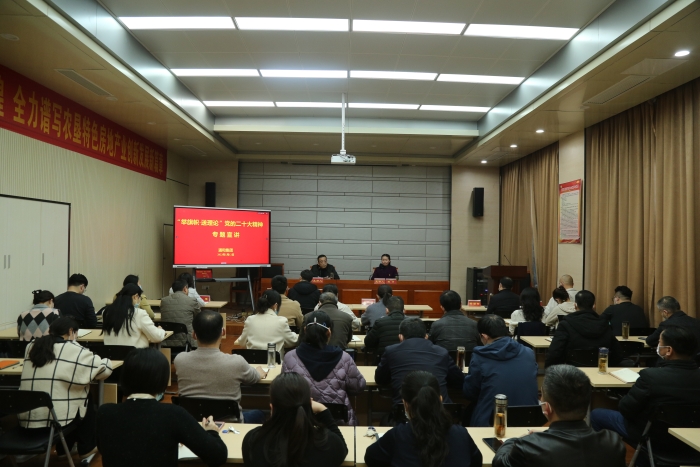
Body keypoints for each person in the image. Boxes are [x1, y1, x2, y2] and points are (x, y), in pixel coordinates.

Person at [96, 348, 227, 467]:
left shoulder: (104, 413)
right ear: (162, 380)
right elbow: (218, 455)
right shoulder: (173, 414)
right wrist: (212, 432)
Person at [493, 365, 626, 467]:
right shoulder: (613, 443)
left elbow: (499, 462)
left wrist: (515, 440)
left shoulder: (528, 447)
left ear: (547, 408)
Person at [19, 316, 112, 461]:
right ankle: (87, 447)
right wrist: (107, 360)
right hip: (56, 420)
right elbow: (104, 371)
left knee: (66, 393)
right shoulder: (75, 349)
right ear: (71, 332)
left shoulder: (31, 347)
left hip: (27, 417)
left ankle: (65, 448)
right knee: (82, 395)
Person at [591, 326, 700, 444]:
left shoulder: (650, 376)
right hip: (691, 440)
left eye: (659, 342)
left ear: (668, 350)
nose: (657, 346)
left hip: (651, 435)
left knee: (597, 414)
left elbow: (625, 409)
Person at [365, 371, 481, 467]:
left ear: (405, 404)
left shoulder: (398, 435)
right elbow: (477, 461)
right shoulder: (461, 434)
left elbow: (370, 458)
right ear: (440, 400)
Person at [175, 311, 267, 423]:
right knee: (259, 414)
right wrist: (258, 372)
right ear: (223, 332)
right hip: (230, 425)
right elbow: (254, 378)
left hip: (193, 423)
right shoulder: (236, 362)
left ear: (194, 334)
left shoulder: (180, 360)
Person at [242, 372, 348, 467]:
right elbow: (342, 447)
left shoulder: (252, 441)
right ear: (309, 405)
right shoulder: (328, 444)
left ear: (272, 408)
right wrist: (323, 410)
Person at [282, 310, 366, 425]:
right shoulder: (344, 357)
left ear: (305, 330)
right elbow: (358, 387)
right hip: (338, 422)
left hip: (301, 422)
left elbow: (284, 390)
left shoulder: (290, 357)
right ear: (329, 332)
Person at [463, 314, 539, 426]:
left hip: (493, 422)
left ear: (484, 336)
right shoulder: (528, 353)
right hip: (529, 420)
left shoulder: (480, 356)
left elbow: (470, 392)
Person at [375, 318, 465, 406]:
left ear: (401, 337)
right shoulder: (442, 352)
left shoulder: (391, 351)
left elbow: (380, 379)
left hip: (404, 410)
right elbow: (459, 381)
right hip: (440, 410)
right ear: (426, 336)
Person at [545, 290, 622, 367]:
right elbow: (617, 353)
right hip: (600, 370)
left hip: (572, 371)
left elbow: (554, 353)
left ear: (575, 305)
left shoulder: (565, 324)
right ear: (594, 306)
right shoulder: (604, 324)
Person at [235, 290, 298, 357]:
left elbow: (242, 342)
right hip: (274, 362)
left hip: (252, 361)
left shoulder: (250, 320)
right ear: (275, 306)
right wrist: (295, 335)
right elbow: (292, 341)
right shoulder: (282, 321)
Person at [102, 283, 166, 348]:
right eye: (139, 298)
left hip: (110, 353)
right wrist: (160, 330)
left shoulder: (106, 312)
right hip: (133, 354)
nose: (139, 301)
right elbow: (157, 337)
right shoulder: (139, 313)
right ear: (135, 297)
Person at [160, 279, 201, 349]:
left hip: (167, 341)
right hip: (187, 341)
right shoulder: (192, 301)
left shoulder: (164, 301)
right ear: (185, 289)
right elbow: (199, 317)